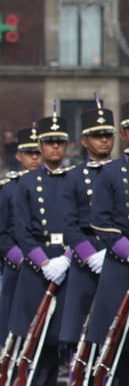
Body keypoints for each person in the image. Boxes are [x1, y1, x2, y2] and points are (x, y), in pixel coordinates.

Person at [86, 90, 129, 385]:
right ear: (124, 134)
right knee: (118, 343)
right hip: (123, 260)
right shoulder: (110, 172)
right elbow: (101, 222)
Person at [10, 111, 73, 386]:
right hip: (39, 267)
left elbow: (87, 225)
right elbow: (21, 231)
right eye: (49, 143)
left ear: (68, 145)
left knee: (70, 343)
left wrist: (69, 258)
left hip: (71, 263)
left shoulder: (77, 179)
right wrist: (44, 263)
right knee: (37, 347)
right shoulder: (25, 183)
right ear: (41, 146)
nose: (55, 148)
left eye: (59, 142)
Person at [58, 99, 116, 360]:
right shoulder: (72, 177)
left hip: (118, 254)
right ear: (84, 141)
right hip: (86, 258)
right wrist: (90, 255)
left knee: (116, 334)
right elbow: (68, 225)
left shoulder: (124, 172)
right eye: (97, 136)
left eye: (108, 135)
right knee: (80, 337)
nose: (104, 140)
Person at [0, 126, 42, 345]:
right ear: (19, 156)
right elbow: (2, 233)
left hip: (47, 262)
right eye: (29, 153)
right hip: (18, 264)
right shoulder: (8, 189)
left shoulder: (55, 184)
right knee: (12, 331)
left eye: (38, 152)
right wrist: (21, 258)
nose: (35, 157)